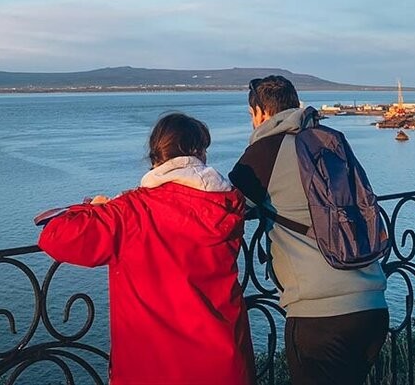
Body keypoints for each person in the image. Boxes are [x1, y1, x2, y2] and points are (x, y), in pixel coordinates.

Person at [38, 113, 255, 385]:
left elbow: (55, 235)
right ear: (199, 154)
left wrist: (92, 207)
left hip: (153, 368)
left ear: (156, 159)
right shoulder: (226, 205)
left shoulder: (129, 213)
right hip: (223, 364)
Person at [229, 75, 388, 385]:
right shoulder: (330, 139)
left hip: (320, 315)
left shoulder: (264, 151)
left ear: (260, 112)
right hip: (372, 305)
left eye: (251, 115)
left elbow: (223, 208)